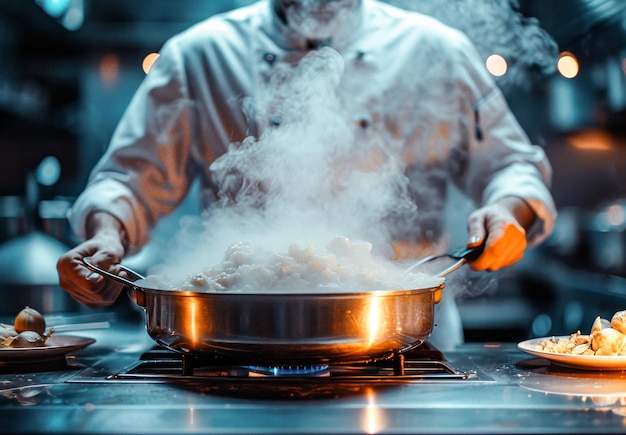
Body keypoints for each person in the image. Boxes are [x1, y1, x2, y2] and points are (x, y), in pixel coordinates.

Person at [57, 0, 556, 348]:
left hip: (407, 340)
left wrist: (506, 212)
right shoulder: (199, 54)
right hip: (233, 339)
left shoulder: (436, 50)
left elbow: (514, 166)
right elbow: (127, 179)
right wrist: (107, 237)